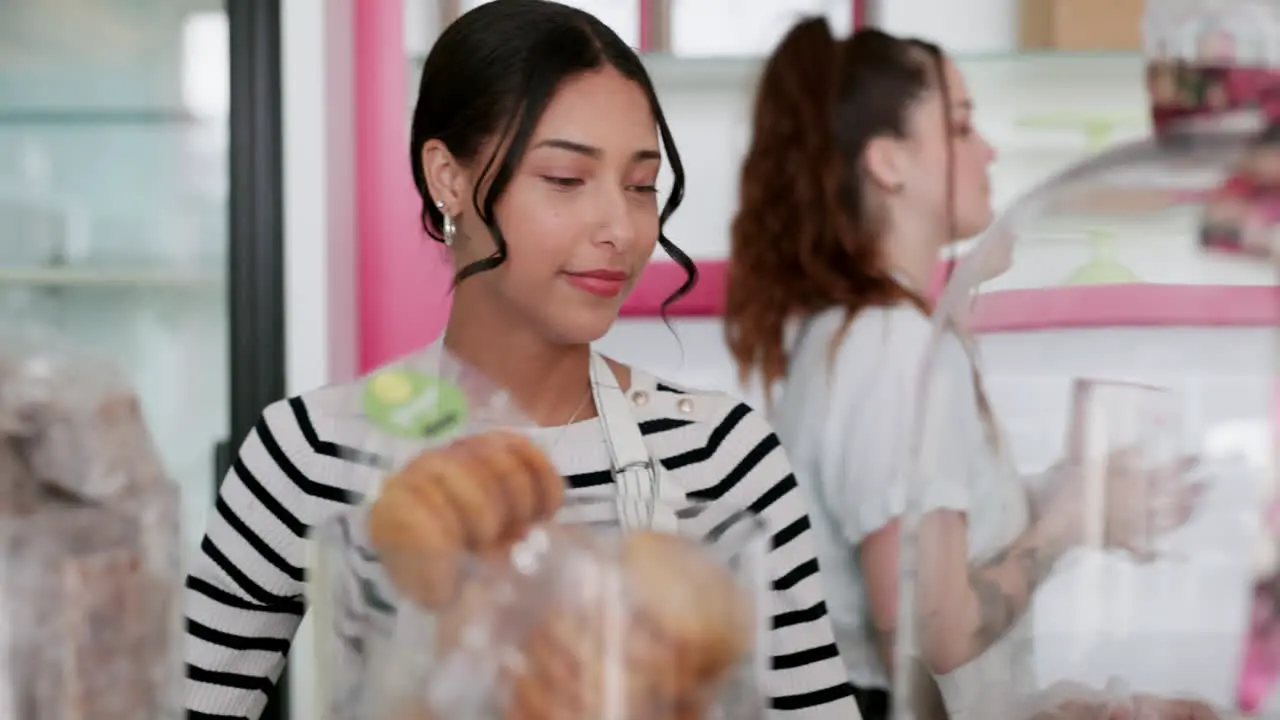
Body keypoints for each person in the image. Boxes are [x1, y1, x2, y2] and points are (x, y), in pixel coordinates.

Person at [183, 2, 862, 719]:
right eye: (566, 179)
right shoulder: (310, 451)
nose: (620, 230)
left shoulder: (725, 456)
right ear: (448, 178)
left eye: (640, 186)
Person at [723, 18, 1208, 720]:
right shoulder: (890, 350)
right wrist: (1070, 521)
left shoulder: (868, 334)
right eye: (960, 127)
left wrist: (1067, 495)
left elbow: (932, 549)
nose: (987, 151)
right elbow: (935, 634)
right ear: (887, 163)